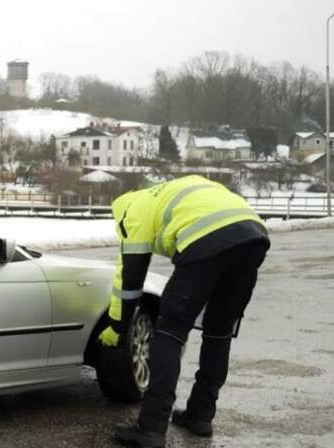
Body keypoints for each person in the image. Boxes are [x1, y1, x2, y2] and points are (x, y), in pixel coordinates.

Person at [104, 175, 270, 447]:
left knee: (169, 332)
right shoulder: (173, 191)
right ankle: (200, 415)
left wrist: (118, 326)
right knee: (219, 332)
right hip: (253, 238)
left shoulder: (132, 212)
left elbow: (130, 280)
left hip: (206, 240)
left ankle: (151, 428)